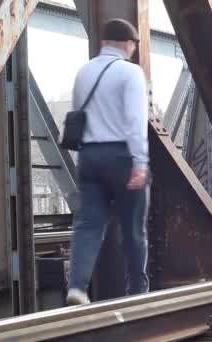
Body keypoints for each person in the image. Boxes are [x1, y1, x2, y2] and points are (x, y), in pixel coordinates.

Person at [66, 18, 150, 305]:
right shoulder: (131, 73)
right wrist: (140, 163)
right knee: (132, 228)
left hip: (89, 157)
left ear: (103, 42)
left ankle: (77, 287)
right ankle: (137, 292)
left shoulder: (83, 72)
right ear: (128, 44)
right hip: (121, 157)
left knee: (88, 225)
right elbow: (136, 122)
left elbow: (78, 114)